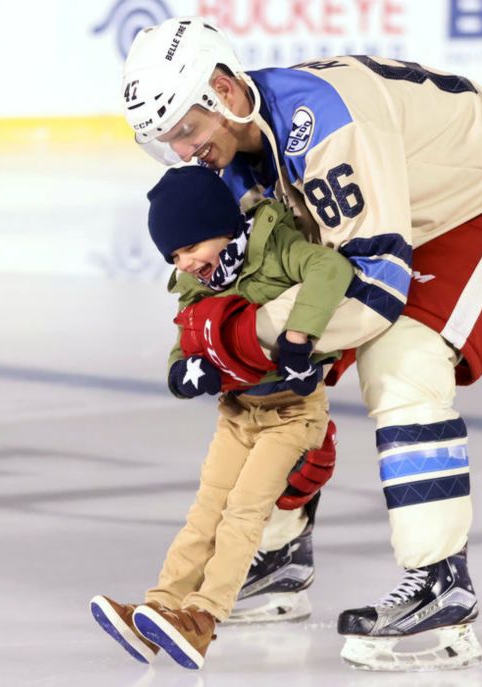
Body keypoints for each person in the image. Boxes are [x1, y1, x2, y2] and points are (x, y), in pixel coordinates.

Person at [120, 17, 482, 671]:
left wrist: (244, 335)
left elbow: (376, 288)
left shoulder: (321, 123)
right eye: (169, 139)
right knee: (281, 388)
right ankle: (276, 555)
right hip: (403, 215)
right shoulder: (238, 158)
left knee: (401, 359)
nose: (184, 149)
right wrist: (229, 343)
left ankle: (442, 579)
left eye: (187, 127)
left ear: (223, 89)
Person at [90, 165, 355, 670]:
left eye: (190, 247)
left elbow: (330, 270)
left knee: (243, 514)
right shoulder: (198, 282)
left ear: (221, 224)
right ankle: (161, 605)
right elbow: (184, 339)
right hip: (237, 413)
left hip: (290, 414)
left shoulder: (273, 244)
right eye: (174, 256)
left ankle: (204, 618)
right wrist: (183, 371)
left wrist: (299, 340)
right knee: (205, 512)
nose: (186, 262)